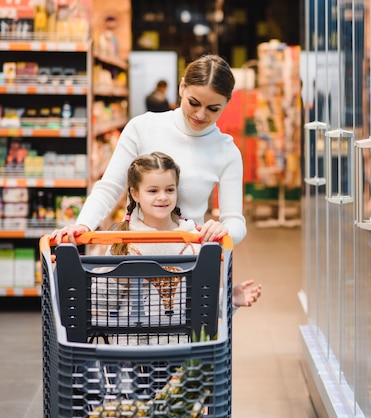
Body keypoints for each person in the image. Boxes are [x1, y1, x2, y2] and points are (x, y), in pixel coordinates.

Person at [51, 54, 246, 246]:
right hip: (135, 255)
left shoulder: (226, 151)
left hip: (188, 261)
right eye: (193, 103)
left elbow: (235, 221)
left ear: (226, 103)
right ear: (181, 87)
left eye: (213, 109)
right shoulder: (142, 127)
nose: (200, 114)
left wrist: (225, 230)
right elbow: (109, 187)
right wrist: (83, 224)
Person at [92, 152, 261, 331]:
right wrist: (118, 281)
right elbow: (99, 305)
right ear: (135, 194)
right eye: (152, 190)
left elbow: (198, 300)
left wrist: (228, 298)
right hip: (131, 350)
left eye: (170, 190)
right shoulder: (123, 242)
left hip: (181, 349)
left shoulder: (192, 240)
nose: (163, 197)